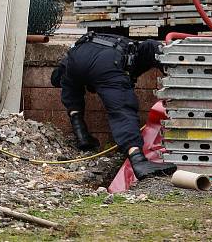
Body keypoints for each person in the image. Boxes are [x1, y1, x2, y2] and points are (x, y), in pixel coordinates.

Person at [50, 32, 177, 180]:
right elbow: (154, 48)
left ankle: (82, 136)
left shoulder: (75, 54)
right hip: (108, 62)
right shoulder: (140, 50)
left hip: (78, 57)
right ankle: (138, 160)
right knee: (122, 110)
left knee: (70, 83)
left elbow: (59, 79)